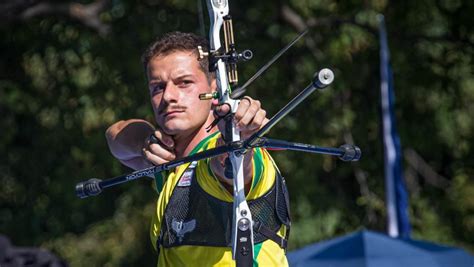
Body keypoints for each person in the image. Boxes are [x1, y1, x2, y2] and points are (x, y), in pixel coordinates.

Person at [105, 32, 291, 266]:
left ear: (216, 88)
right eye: (157, 87)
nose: (169, 97)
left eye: (184, 82)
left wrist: (238, 142)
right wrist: (144, 141)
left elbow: (230, 167)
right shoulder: (168, 165)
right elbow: (115, 136)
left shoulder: (217, 158)